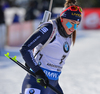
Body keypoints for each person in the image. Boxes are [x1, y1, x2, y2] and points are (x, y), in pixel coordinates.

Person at [20, 0, 82, 94]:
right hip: (37, 82)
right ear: (62, 19)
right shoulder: (50, 28)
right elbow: (25, 48)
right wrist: (37, 71)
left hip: (53, 84)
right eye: (71, 23)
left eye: (77, 25)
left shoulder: (67, 34)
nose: (73, 28)